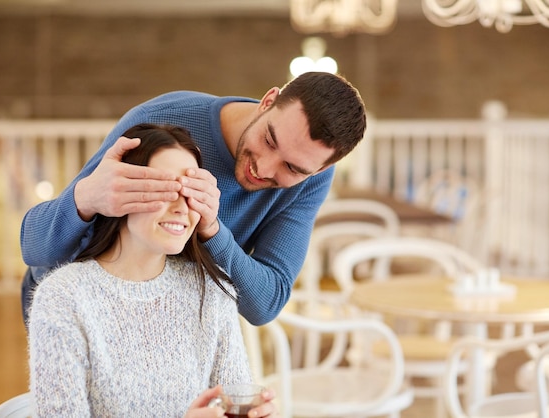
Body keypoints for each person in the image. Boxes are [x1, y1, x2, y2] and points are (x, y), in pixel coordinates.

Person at [20, 71, 367, 326]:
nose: (263, 167)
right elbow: (35, 250)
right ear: (267, 102)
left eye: (292, 167)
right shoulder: (161, 122)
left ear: (320, 170)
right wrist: (86, 198)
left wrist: (213, 232)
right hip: (75, 312)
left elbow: (266, 303)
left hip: (171, 323)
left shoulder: (310, 180)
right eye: (270, 140)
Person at [28, 123, 278, 417]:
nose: (182, 207)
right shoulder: (63, 299)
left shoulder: (212, 293)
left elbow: (232, 402)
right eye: (166, 189)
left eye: (192, 192)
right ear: (118, 192)